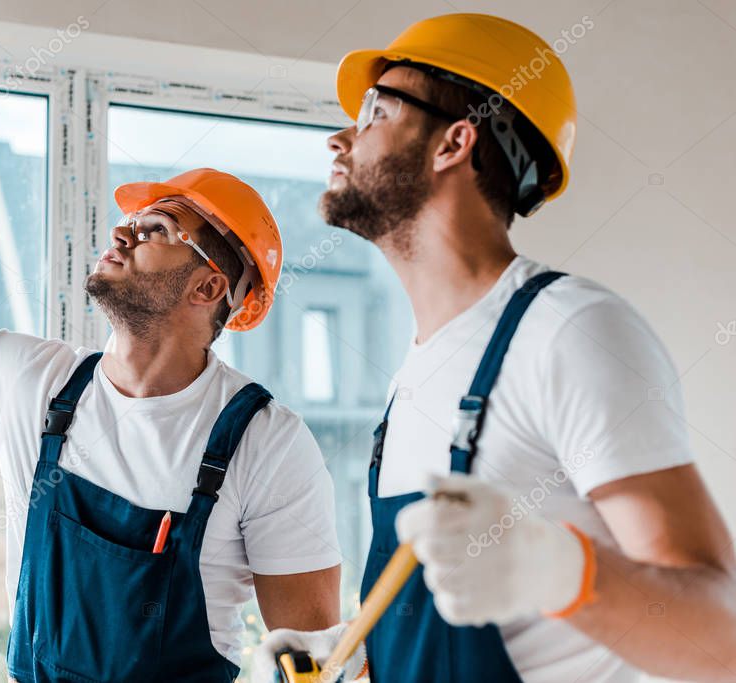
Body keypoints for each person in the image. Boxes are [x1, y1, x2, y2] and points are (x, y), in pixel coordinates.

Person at [0, 33, 343, 683]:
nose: (122, 229)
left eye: (157, 229)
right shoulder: (34, 385)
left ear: (208, 286)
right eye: (131, 220)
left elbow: (315, 663)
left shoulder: (265, 443)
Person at [253, 13, 736, 683]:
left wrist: (554, 569)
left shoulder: (568, 329)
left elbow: (720, 635)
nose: (340, 138)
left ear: (453, 141)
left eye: (373, 111)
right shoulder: (416, 368)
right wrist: (358, 651)